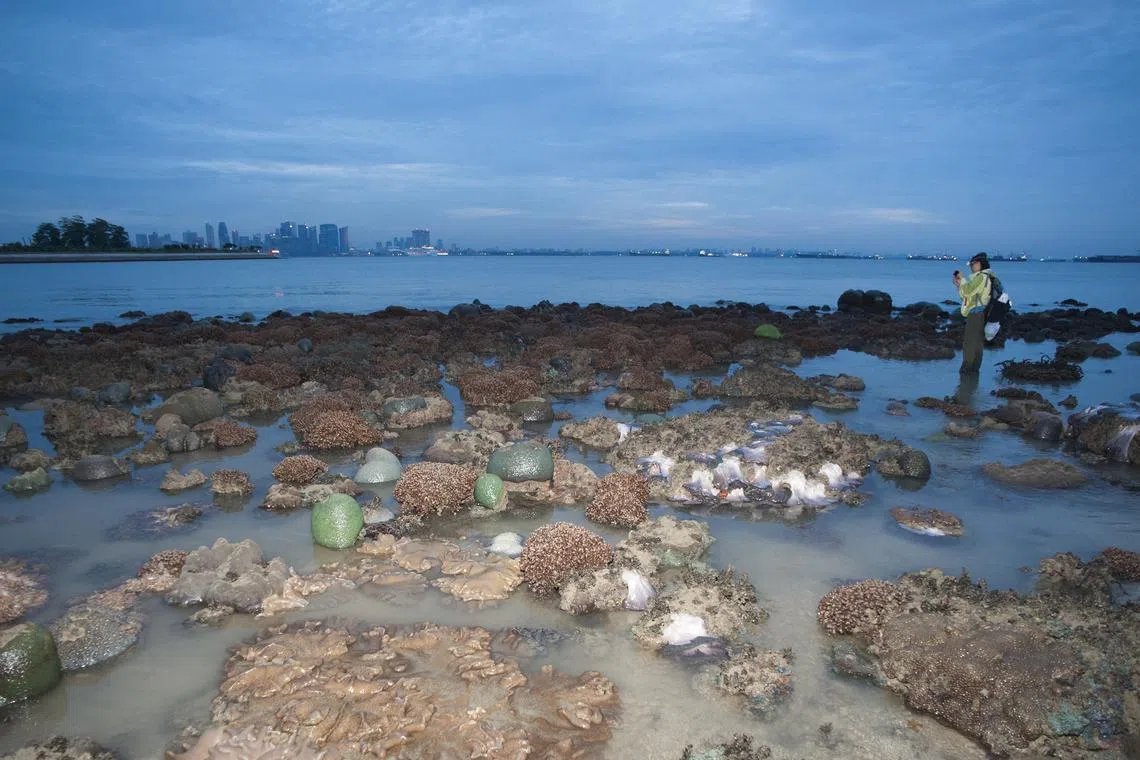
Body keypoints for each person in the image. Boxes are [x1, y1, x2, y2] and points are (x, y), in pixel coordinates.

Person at [952, 252, 995, 374]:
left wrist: (962, 280)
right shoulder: (986, 276)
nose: (971, 266)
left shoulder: (981, 277)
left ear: (981, 264)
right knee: (977, 342)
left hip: (976, 313)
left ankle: (967, 369)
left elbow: (968, 291)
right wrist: (959, 285)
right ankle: (974, 371)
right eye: (970, 264)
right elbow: (967, 296)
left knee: (970, 342)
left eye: (973, 263)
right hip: (981, 311)